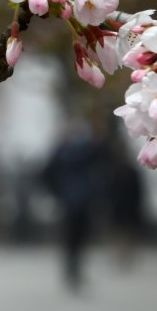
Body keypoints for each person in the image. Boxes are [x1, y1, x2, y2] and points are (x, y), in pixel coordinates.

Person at [40, 120, 105, 293]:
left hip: (68, 200)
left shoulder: (61, 151)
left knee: (70, 238)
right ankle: (75, 269)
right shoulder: (88, 150)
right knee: (80, 237)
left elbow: (46, 173)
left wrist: (57, 192)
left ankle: (71, 269)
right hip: (83, 199)